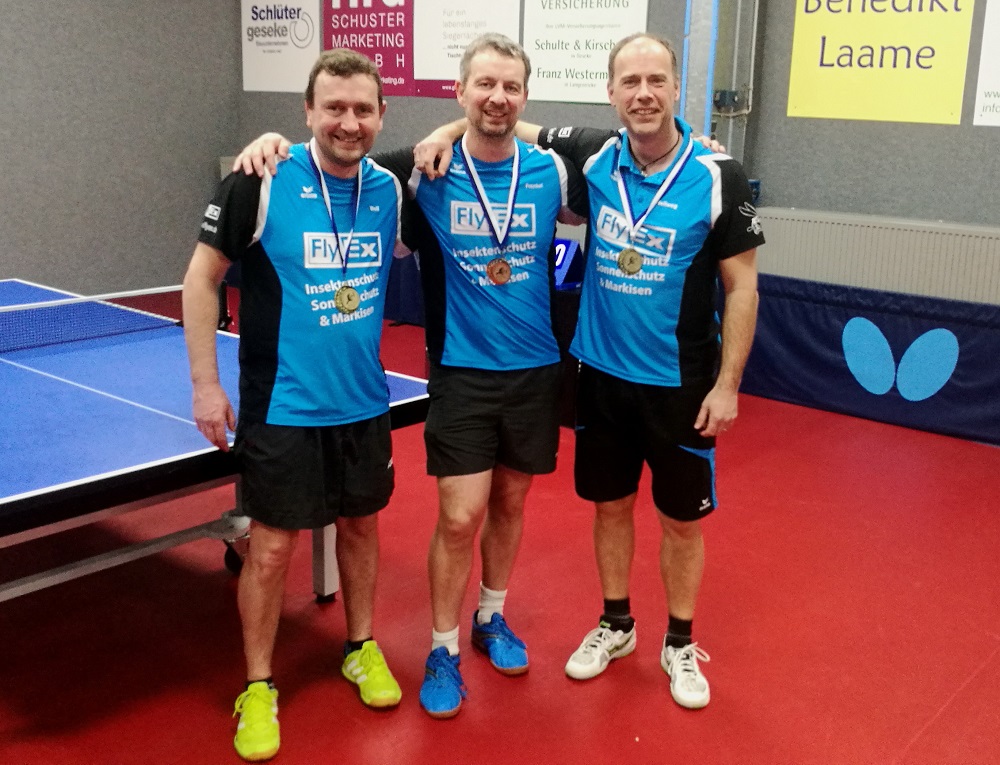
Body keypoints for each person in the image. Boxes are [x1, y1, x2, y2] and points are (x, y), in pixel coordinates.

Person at [233, 34, 588, 720]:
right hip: (460, 372)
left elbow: (615, 147)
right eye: (483, 85)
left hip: (537, 370)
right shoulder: (421, 174)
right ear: (459, 92)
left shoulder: (553, 172)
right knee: (458, 516)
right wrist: (272, 142)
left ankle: (492, 615)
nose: (497, 98)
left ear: (526, 95)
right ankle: (442, 647)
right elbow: (339, 148)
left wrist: (690, 144)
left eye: (511, 87)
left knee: (510, 503)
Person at [415, 31, 763, 710]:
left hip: (681, 383)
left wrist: (728, 385)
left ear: (676, 88)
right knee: (610, 507)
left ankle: (680, 640)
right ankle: (616, 623)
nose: (643, 93)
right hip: (599, 376)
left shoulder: (720, 175)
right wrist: (443, 128)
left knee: (680, 520)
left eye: (656, 81)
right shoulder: (595, 156)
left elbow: (743, 287)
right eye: (630, 82)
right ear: (610, 92)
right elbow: (500, 117)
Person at [182, 49, 407, 762]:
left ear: (381, 115)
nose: (349, 121)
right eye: (333, 107)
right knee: (272, 547)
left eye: (363, 109)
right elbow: (200, 279)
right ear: (308, 111)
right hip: (282, 406)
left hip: (363, 402)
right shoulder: (261, 180)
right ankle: (258, 685)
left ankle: (361, 646)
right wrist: (205, 384)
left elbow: (471, 135)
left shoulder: (391, 189)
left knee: (361, 529)